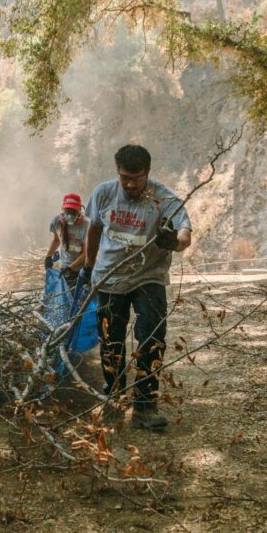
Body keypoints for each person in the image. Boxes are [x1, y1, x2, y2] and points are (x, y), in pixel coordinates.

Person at [80, 144, 192, 431]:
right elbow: (93, 230)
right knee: (111, 341)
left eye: (136, 178)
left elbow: (184, 233)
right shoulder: (104, 193)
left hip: (148, 277)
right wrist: (90, 268)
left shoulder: (162, 197)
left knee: (151, 337)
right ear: (117, 173)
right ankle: (114, 399)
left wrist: (173, 242)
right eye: (124, 178)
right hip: (109, 278)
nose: (130, 184)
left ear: (147, 173)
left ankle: (145, 406)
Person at [43, 193, 89, 287]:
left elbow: (86, 254)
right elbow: (56, 240)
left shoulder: (87, 225)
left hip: (82, 268)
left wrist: (71, 268)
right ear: (63, 209)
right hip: (65, 267)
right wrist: (48, 256)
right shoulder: (57, 221)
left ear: (80, 210)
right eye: (68, 211)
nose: (70, 215)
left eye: (73, 212)